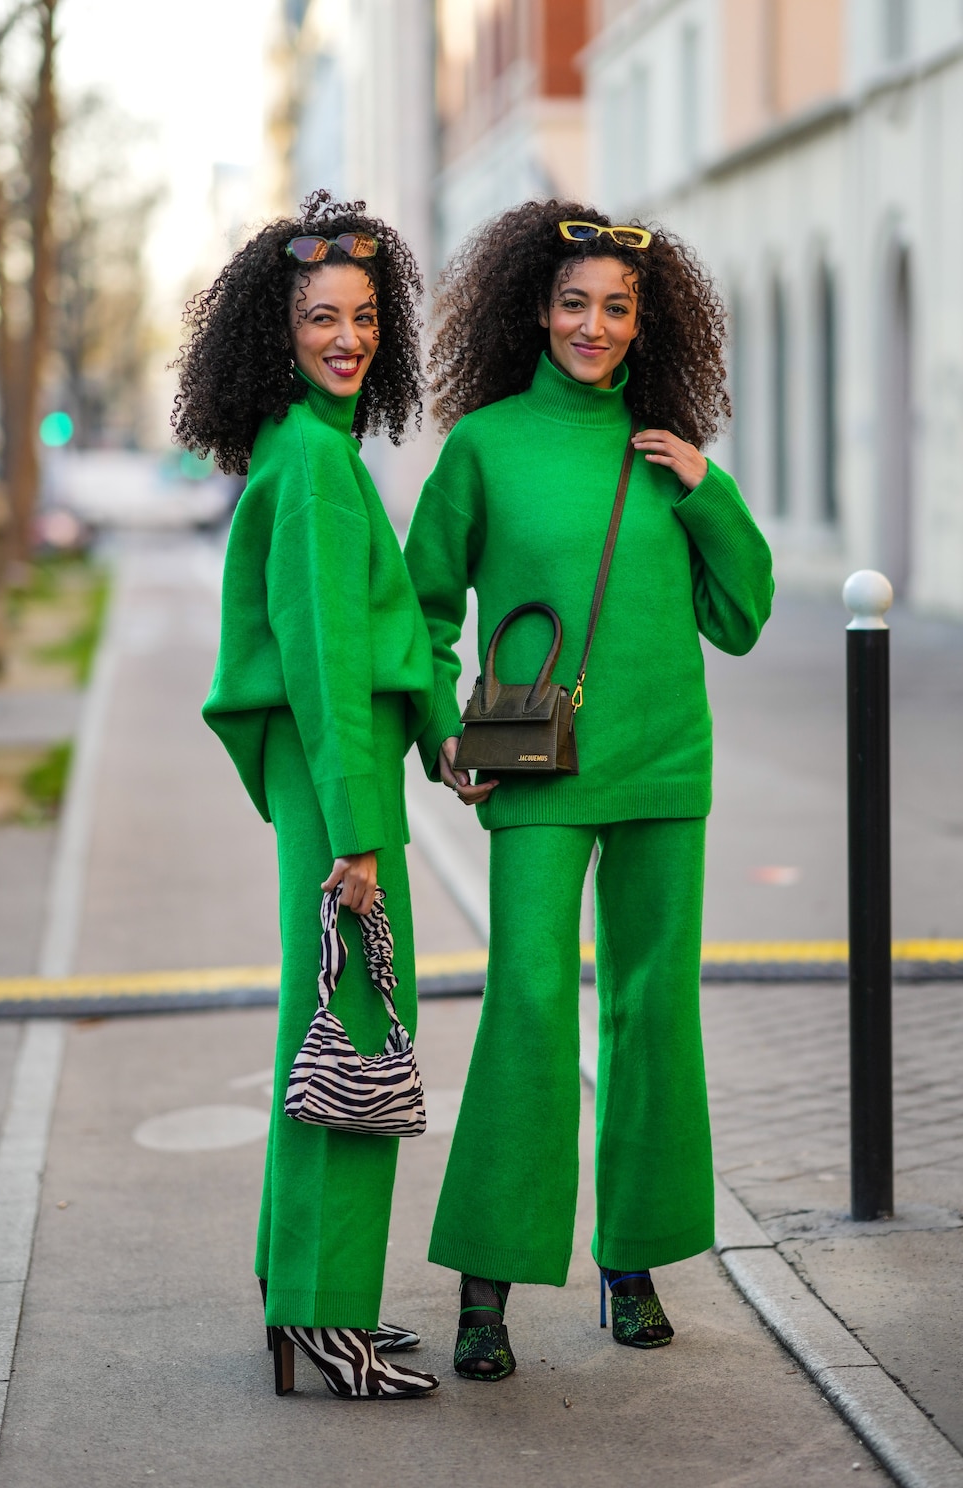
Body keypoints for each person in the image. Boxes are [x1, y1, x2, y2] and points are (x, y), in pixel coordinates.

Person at [404, 200, 774, 1381]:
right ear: (536, 309)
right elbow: (421, 607)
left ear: (643, 322)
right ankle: (485, 1284)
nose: (596, 326)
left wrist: (707, 484)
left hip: (666, 770)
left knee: (651, 1014)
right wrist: (437, 729)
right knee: (524, 1002)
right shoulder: (485, 445)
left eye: (618, 308)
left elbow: (745, 614)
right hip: (537, 769)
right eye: (575, 303)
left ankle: (632, 1263)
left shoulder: (666, 455)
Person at [172, 189, 439, 1400]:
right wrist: (360, 838)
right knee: (357, 1035)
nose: (348, 338)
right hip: (342, 785)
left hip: (330, 777)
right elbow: (330, 662)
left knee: (319, 1033)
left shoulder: (300, 449)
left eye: (365, 316)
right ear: (271, 334)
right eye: (321, 318)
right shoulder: (319, 468)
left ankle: (305, 1306)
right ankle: (326, 1321)